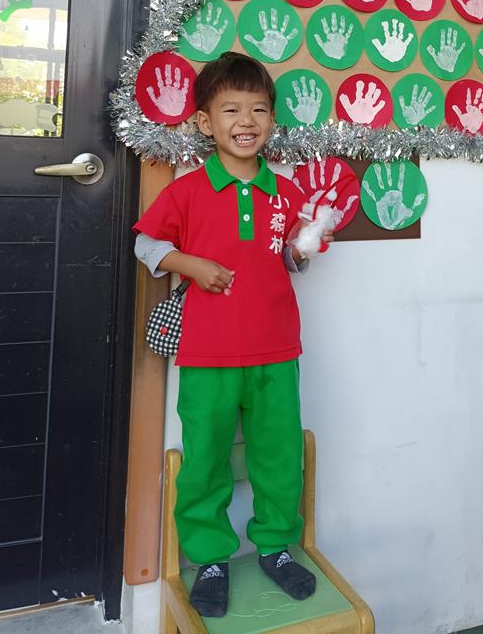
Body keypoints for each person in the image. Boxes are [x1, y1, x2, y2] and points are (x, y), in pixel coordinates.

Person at [134, 52, 327, 618]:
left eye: (259, 110)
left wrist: (302, 249)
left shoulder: (285, 192)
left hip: (277, 350)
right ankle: (210, 558)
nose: (247, 121)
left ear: (272, 120)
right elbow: (146, 245)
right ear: (205, 122)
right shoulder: (188, 191)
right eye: (231, 109)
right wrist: (190, 265)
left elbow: (286, 259)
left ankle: (275, 546)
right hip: (208, 353)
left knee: (279, 454)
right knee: (206, 459)